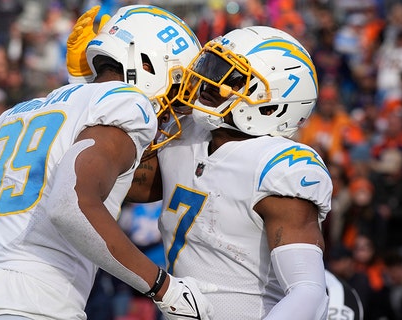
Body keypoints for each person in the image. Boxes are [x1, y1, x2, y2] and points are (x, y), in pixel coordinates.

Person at [0, 5, 213, 320]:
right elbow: (71, 204)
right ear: (146, 63)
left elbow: (106, 179)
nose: (175, 107)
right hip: (32, 305)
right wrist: (163, 286)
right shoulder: (127, 103)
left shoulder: (25, 109)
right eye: (177, 85)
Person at [125, 26, 332, 319]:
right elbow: (123, 184)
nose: (207, 83)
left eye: (230, 77)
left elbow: (308, 291)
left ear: (272, 105)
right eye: (211, 67)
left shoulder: (279, 166)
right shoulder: (187, 133)